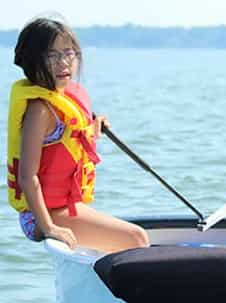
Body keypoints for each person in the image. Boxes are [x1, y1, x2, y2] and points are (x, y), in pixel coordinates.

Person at [7, 16, 149, 253]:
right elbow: (26, 177)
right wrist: (50, 227)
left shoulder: (65, 98)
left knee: (135, 236)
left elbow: (68, 140)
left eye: (69, 53)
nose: (63, 62)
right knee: (136, 238)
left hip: (65, 206)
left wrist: (94, 126)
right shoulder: (39, 110)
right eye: (52, 56)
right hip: (41, 215)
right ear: (33, 60)